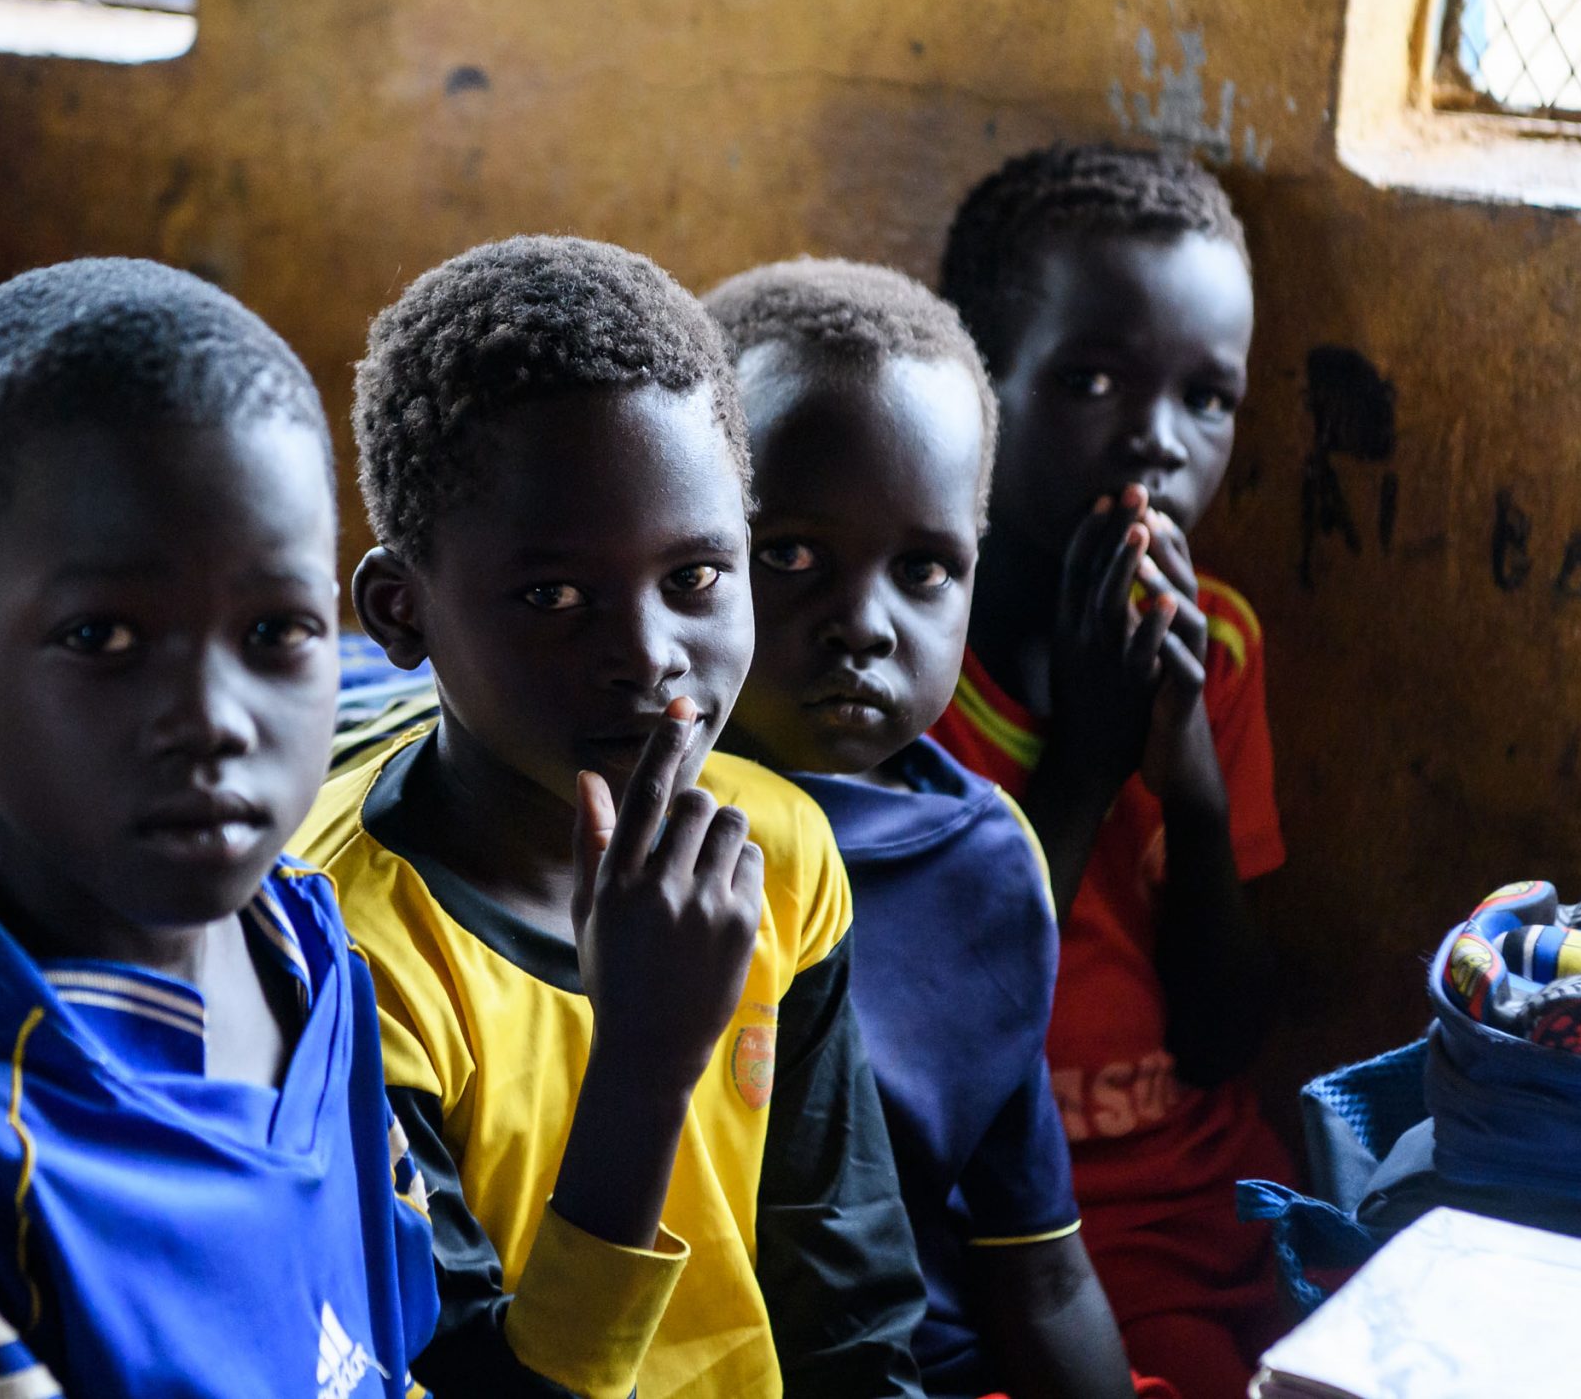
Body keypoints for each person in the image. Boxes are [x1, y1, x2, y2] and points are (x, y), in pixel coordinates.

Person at [0, 260, 435, 1398]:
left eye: (276, 630)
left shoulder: (309, 951)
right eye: (103, 636)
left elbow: (381, 1361)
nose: (211, 721)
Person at [295, 235, 927, 1397]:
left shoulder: (774, 852)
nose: (648, 659)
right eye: (553, 597)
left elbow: (851, 1310)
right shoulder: (341, 959)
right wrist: (642, 1064)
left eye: (694, 579)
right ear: (400, 613)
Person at [706, 259, 1139, 1399]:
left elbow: (1037, 1272)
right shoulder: (605, 827)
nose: (862, 623)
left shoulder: (988, 864)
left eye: (923, 570)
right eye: (788, 553)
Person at [928, 144, 1290, 1399]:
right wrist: (1086, 757)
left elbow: (1222, 1036)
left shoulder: (1221, 647)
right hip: (1001, 1240)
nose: (1156, 437)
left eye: (1209, 397)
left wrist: (1185, 775)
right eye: (1089, 379)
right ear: (977, 387)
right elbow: (945, 1039)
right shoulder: (896, 670)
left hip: (1197, 1220)